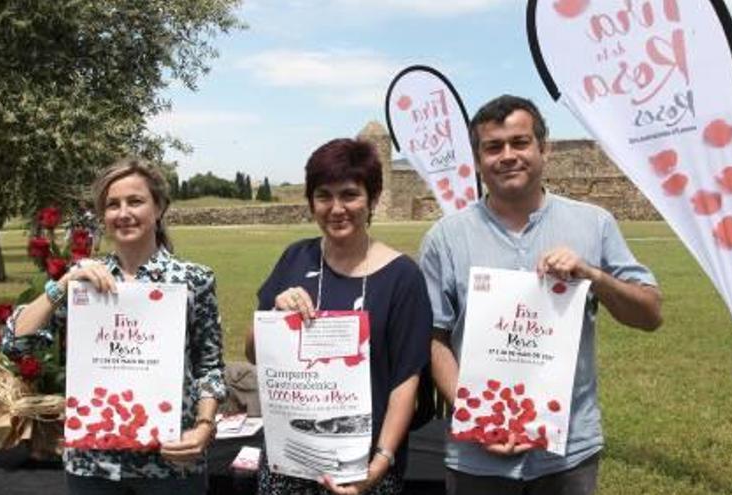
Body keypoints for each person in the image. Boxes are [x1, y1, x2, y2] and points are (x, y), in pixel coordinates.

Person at [418, 95, 663, 495]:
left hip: (568, 452)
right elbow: (435, 338)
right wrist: (478, 419)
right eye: (493, 147)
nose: (508, 156)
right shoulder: (445, 239)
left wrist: (592, 275)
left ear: (543, 149)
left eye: (520, 142)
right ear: (478, 159)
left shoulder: (593, 224)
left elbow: (650, 314)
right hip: (476, 457)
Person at [2, 157, 226, 495]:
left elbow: (209, 367)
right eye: (112, 204)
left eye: (135, 201)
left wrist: (204, 427)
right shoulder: (83, 283)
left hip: (172, 462)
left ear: (159, 207)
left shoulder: (193, 280)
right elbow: (16, 345)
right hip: (93, 466)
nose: (123, 213)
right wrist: (62, 285)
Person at [245, 138, 432, 495]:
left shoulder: (402, 276)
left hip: (362, 465)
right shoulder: (294, 259)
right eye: (323, 196)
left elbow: (406, 381)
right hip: (290, 459)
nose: (336, 208)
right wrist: (274, 317)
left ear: (373, 199)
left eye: (349, 195)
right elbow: (255, 353)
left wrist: (381, 461)